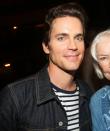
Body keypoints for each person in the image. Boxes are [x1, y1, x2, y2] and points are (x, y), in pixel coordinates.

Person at [0, 2, 93, 131]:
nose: (73, 46)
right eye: (61, 38)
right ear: (46, 46)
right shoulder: (15, 97)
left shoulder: (88, 93)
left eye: (78, 38)